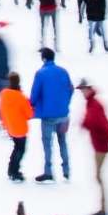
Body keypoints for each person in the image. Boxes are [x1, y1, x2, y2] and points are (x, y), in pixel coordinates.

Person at [75, 81, 108, 215]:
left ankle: (104, 208)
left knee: (98, 176)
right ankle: (105, 206)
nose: (83, 93)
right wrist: (84, 124)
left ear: (90, 89)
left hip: (101, 147)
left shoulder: (96, 105)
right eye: (81, 90)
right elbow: (89, 121)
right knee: (98, 176)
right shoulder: (90, 103)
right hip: (97, 146)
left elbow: (107, 128)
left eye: (84, 90)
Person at [29, 48, 73, 182]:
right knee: (63, 141)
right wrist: (65, 103)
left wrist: (33, 105)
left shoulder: (40, 74)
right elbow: (70, 89)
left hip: (48, 116)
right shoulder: (63, 71)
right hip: (63, 114)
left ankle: (48, 171)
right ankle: (66, 170)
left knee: (48, 144)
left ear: (43, 58)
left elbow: (34, 95)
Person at [0, 72, 33, 182]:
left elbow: (0, 110)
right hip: (20, 128)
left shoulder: (3, 94)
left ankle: (11, 169)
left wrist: (4, 123)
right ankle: (14, 170)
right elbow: (29, 114)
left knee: (16, 148)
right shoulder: (21, 97)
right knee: (20, 150)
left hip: (10, 126)